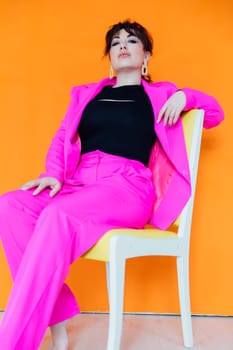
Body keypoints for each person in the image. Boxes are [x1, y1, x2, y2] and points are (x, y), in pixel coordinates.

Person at [0, 20, 224, 350]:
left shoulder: (159, 95)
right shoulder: (86, 95)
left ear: (145, 54)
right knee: (11, 205)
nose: (122, 45)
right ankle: (57, 317)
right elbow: (64, 136)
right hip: (78, 183)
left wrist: (184, 96)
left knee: (57, 215)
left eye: (132, 41)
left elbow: (215, 112)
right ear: (110, 56)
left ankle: (13, 343)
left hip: (126, 187)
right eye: (116, 41)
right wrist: (53, 175)